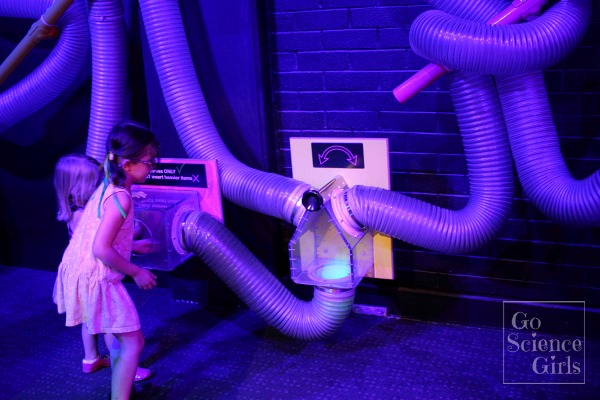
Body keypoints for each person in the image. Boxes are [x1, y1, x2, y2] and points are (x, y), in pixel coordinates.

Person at [53, 121, 160, 399]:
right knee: (133, 342)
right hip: (98, 277)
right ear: (127, 164)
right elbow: (101, 248)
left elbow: (100, 236)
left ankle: (119, 385)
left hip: (83, 270)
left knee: (120, 336)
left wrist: (134, 244)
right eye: (149, 161)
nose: (153, 166)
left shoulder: (106, 186)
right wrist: (136, 271)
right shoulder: (121, 198)